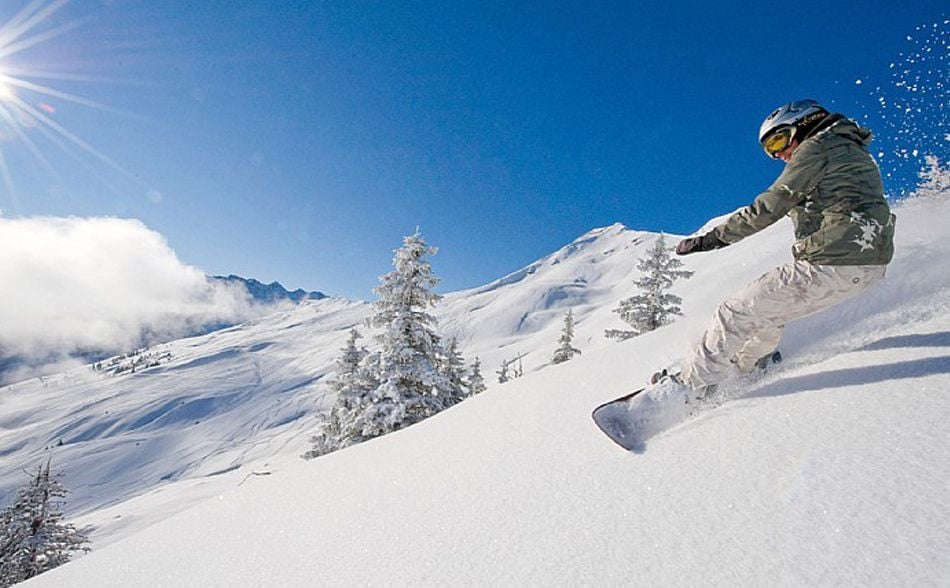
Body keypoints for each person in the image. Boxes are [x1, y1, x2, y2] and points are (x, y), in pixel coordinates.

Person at [653, 99, 896, 398]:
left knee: (735, 313)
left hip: (832, 261)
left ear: (806, 123)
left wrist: (712, 239)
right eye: (770, 150)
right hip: (866, 266)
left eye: (779, 140)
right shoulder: (852, 149)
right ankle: (746, 368)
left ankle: (687, 391)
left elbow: (771, 204)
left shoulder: (817, 147)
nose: (779, 154)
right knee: (768, 314)